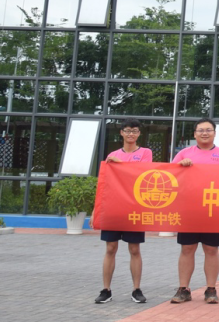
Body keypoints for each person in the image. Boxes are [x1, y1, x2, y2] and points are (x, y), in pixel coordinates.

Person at [170, 118, 219, 304]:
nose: (204, 133)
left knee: (211, 249)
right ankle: (183, 289)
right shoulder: (184, 154)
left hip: (213, 209)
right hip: (189, 208)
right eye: (201, 130)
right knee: (187, 248)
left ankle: (211, 289)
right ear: (194, 134)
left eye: (208, 130)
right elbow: (170, 175)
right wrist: (180, 167)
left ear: (215, 133)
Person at [96, 118, 152, 305]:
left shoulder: (145, 153)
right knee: (110, 248)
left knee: (134, 249)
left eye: (134, 131)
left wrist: (119, 164)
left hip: (134, 208)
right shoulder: (112, 154)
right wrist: (97, 210)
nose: (131, 134)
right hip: (113, 207)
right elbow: (105, 183)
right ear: (121, 133)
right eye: (127, 130)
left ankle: (136, 289)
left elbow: (142, 174)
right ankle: (106, 290)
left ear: (139, 134)